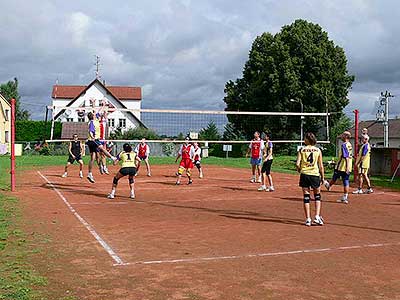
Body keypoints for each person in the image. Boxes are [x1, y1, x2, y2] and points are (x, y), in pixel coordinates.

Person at [296, 132, 325, 226]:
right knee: (317, 196)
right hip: (315, 174)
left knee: (306, 197)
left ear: (307, 140)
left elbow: (297, 164)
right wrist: (323, 177)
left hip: (304, 174)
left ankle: (308, 219)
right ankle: (317, 216)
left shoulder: (302, 150)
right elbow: (320, 166)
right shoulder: (318, 150)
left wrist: (300, 169)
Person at [86, 111, 117, 183]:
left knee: (94, 157)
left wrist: (103, 105)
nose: (95, 114)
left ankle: (90, 173)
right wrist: (92, 137)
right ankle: (113, 158)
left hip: (93, 140)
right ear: (92, 116)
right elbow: (90, 131)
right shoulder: (92, 122)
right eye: (94, 114)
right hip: (93, 140)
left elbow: (99, 112)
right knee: (102, 149)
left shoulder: (95, 120)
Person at [324, 131, 353, 203]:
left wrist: (345, 167)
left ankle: (328, 185)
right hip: (348, 165)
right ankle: (345, 197)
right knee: (346, 181)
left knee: (336, 177)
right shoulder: (349, 144)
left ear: (346, 136)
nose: (341, 136)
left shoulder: (344, 145)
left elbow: (345, 157)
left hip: (342, 166)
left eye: (343, 135)